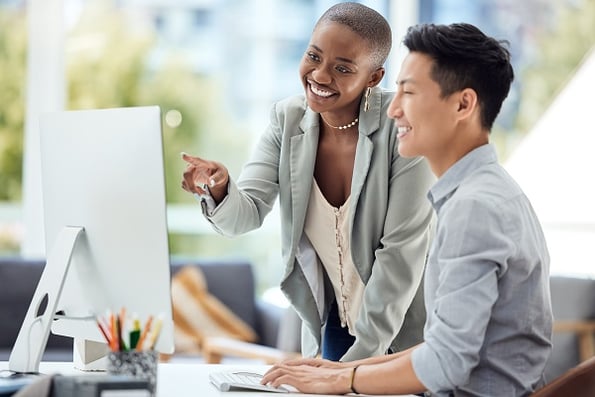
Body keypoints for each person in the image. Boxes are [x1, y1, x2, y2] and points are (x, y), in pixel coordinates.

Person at [261, 22, 553, 396]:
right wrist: (338, 369)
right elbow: (448, 346)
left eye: (409, 93)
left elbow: (446, 364)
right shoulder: (488, 191)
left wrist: (342, 378)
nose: (393, 109)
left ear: (463, 104)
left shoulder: (473, 210)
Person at [181, 2, 435, 362]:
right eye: (313, 56)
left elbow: (399, 257)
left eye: (342, 68)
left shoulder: (403, 128)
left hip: (412, 328)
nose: (319, 75)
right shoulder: (287, 120)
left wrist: (348, 371)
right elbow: (246, 214)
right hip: (333, 323)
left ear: (374, 78)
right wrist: (219, 189)